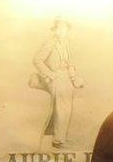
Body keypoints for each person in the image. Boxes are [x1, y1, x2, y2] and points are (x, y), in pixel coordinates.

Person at [33, 17, 85, 148]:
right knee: (62, 108)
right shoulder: (50, 43)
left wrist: (74, 78)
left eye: (65, 29)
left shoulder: (67, 43)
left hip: (66, 76)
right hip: (55, 77)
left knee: (67, 109)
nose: (63, 31)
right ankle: (58, 141)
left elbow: (70, 62)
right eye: (60, 28)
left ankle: (61, 138)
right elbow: (37, 59)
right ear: (55, 30)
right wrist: (50, 74)